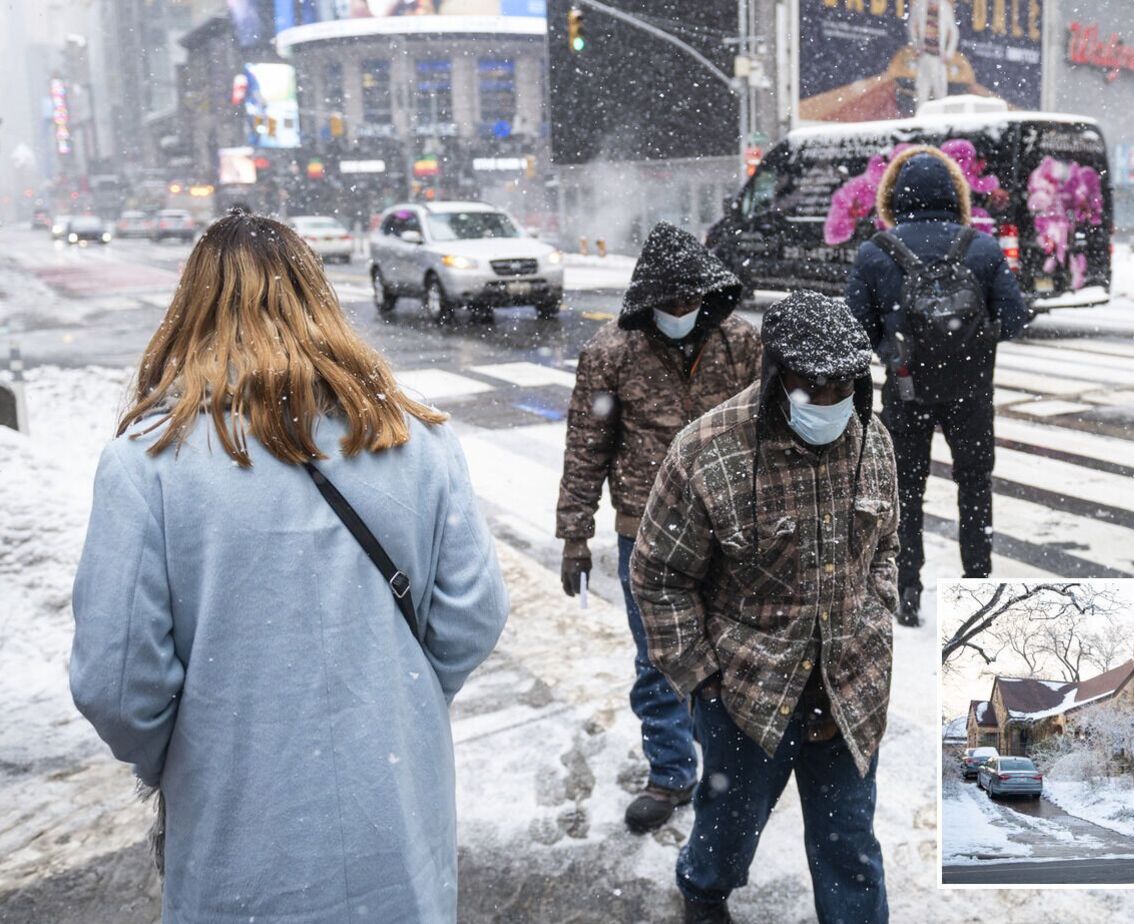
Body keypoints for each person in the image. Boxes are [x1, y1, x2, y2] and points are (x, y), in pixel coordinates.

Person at [69, 211, 508, 922]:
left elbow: (116, 682)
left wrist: (188, 750)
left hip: (239, 836)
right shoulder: (417, 438)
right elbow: (474, 616)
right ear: (319, 299)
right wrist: (392, 701)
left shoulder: (146, 464)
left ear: (192, 310)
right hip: (392, 818)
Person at [631, 291, 899, 924]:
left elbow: (887, 545)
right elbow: (658, 574)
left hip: (848, 687)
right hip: (746, 692)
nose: (830, 401)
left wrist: (876, 615)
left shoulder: (873, 440)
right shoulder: (708, 451)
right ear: (778, 375)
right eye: (814, 385)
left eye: (844, 385)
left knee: (850, 846)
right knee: (727, 828)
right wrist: (702, 677)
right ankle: (704, 892)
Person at [556, 221, 759, 833]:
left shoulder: (738, 345)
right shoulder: (610, 354)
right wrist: (574, 533)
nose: (680, 311)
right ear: (646, 300)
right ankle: (671, 772)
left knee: (731, 653)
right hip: (644, 531)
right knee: (659, 658)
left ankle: (728, 767)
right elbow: (586, 446)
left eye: (689, 299)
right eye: (668, 302)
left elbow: (769, 433)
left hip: (729, 528)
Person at [846, 145, 1030, 626]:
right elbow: (1014, 319)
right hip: (972, 394)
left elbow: (856, 332)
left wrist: (896, 342)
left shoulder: (875, 252)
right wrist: (971, 334)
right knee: (974, 487)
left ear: (894, 197)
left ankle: (908, 590)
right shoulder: (983, 248)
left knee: (905, 493)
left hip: (905, 393)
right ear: (956, 195)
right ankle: (977, 580)